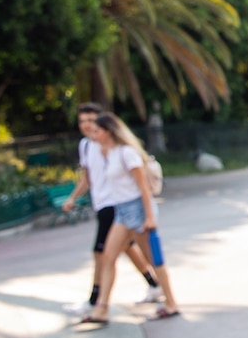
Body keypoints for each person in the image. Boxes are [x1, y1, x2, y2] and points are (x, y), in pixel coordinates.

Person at [61, 102, 163, 316]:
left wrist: (148, 213)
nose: (86, 125)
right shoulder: (86, 146)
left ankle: (96, 302)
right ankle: (155, 285)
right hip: (103, 205)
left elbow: (138, 180)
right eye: (82, 121)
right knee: (128, 249)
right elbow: (87, 178)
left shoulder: (113, 146)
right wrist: (72, 198)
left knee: (101, 254)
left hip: (114, 205)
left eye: (91, 121)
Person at [77, 112, 180, 324]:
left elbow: (144, 188)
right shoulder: (108, 153)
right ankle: (101, 309)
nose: (92, 134)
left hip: (138, 210)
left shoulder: (127, 153)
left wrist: (149, 217)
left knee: (153, 259)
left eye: (97, 130)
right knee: (107, 256)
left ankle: (171, 303)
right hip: (122, 211)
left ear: (108, 132)